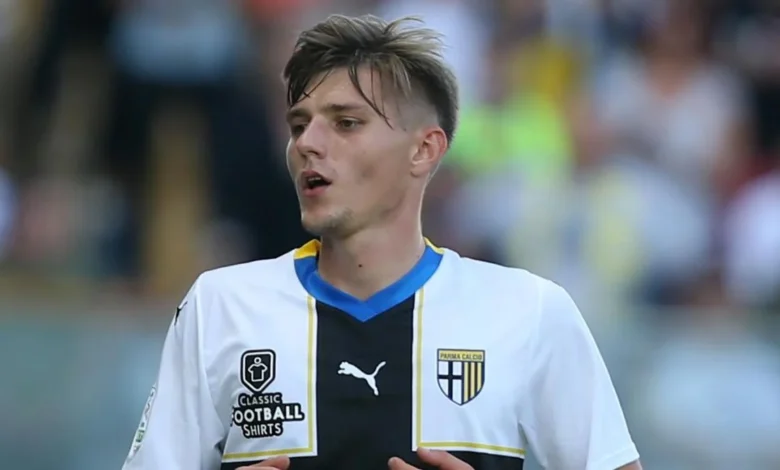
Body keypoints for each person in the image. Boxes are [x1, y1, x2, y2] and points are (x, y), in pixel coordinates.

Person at [121, 14, 642, 470]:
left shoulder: (529, 312)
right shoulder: (220, 306)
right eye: (299, 125)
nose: (307, 143)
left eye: (346, 123)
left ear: (424, 150)